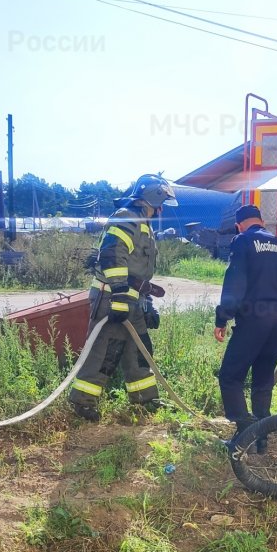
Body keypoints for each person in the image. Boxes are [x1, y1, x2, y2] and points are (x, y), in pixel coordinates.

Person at [68, 174, 177, 421]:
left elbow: (137, 270)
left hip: (131, 298)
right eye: (160, 203)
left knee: (139, 350)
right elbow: (112, 255)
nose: (161, 210)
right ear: (152, 198)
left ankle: (145, 401)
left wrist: (145, 302)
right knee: (104, 351)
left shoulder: (142, 223)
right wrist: (118, 296)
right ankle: (82, 404)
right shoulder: (127, 219)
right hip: (111, 297)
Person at [214, 204, 277, 447]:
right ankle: (261, 437)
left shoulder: (243, 241)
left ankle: (244, 433)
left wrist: (222, 318)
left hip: (254, 318)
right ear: (261, 221)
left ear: (239, 225)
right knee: (262, 379)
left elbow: (235, 283)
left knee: (230, 375)